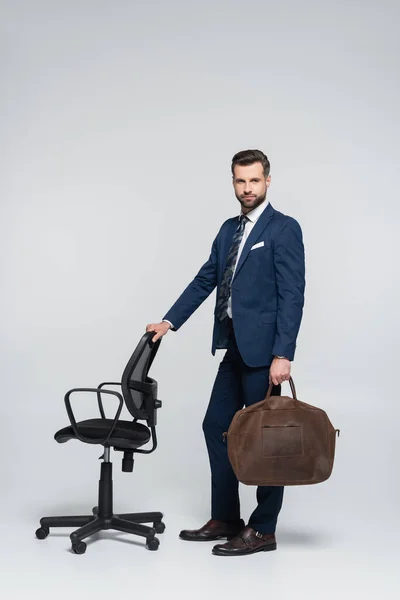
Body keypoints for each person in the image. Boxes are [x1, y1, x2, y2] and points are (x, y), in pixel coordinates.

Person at [146, 149, 305, 557]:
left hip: (266, 355)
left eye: (254, 180)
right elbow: (205, 280)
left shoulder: (283, 229)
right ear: (233, 182)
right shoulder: (227, 230)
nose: (247, 188)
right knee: (216, 427)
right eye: (240, 181)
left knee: (266, 441)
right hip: (233, 347)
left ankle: (263, 528)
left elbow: (292, 295)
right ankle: (227, 517)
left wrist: (283, 354)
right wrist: (170, 321)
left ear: (268, 181)